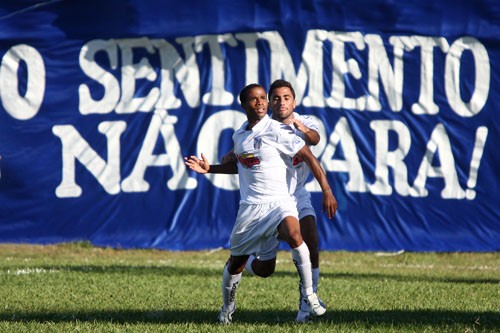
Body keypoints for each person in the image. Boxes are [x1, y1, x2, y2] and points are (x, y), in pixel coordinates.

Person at [184, 83, 337, 324]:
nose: (262, 102)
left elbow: (310, 149)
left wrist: (327, 190)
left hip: (282, 200)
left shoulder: (280, 129)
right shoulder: (240, 135)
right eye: (257, 99)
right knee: (255, 268)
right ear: (244, 105)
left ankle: (309, 298)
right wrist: (211, 167)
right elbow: (243, 163)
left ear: (294, 101)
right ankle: (226, 310)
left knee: (298, 237)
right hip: (251, 209)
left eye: (263, 98)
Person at [221, 79, 328, 322]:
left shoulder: (301, 122)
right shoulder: (248, 131)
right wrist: (216, 166)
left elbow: (313, 140)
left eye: (286, 97)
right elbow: (241, 159)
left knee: (305, 240)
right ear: (270, 103)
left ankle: (306, 305)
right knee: (265, 269)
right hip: (258, 203)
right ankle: (236, 283)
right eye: (276, 98)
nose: (280, 102)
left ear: (294, 100)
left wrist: (300, 129)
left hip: (293, 194)